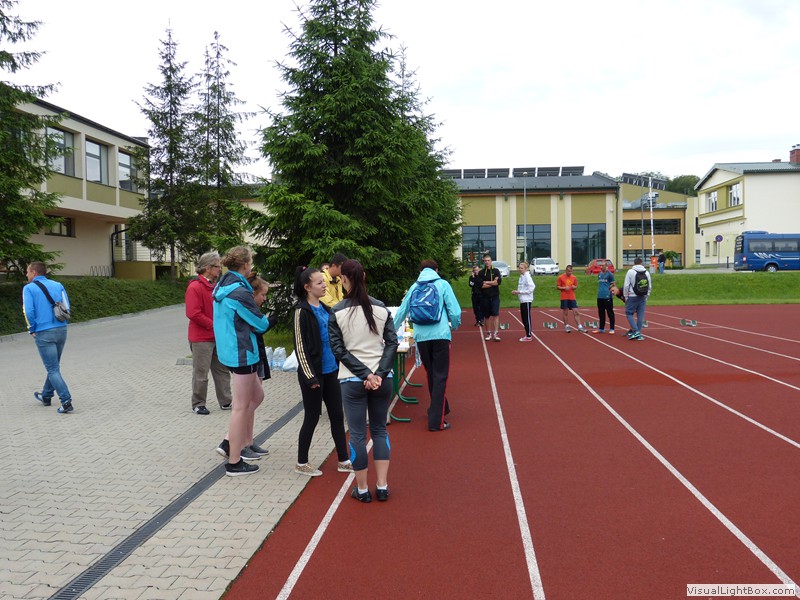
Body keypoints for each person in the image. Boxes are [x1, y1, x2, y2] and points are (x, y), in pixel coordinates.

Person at [329, 259, 398, 503]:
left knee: (357, 434)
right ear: (364, 277)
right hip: (381, 379)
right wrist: (378, 374)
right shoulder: (381, 308)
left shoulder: (337, 311)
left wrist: (365, 374)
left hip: (352, 380)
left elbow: (339, 350)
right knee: (379, 430)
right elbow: (392, 343)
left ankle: (361, 489)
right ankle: (382, 486)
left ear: (343, 279)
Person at [212, 246, 274, 477]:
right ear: (246, 265)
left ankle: (236, 442)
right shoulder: (239, 292)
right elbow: (261, 324)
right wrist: (269, 319)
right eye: (251, 263)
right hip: (241, 352)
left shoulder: (222, 285)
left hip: (231, 351)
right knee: (240, 407)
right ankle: (234, 460)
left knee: (256, 396)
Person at [292, 266, 353, 477]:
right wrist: (310, 377)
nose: (324, 285)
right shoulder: (301, 312)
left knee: (337, 415)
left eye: (323, 281)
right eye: (319, 283)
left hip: (331, 371)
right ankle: (302, 462)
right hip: (314, 375)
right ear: (307, 287)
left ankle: (344, 460)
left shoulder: (326, 309)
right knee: (312, 417)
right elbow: (300, 347)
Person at [393, 259, 461, 431]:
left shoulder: (414, 287)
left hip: (421, 337)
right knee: (440, 376)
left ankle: (440, 409)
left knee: (432, 374)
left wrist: (391, 330)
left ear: (420, 271)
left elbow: (401, 311)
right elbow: (454, 311)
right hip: (440, 336)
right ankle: (436, 422)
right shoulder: (443, 284)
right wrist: (455, 325)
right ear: (436, 270)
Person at [23, 261, 74, 413]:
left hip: (43, 331)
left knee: (52, 369)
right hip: (61, 329)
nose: (26, 274)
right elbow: (67, 306)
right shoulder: (58, 285)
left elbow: (28, 311)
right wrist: (63, 323)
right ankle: (46, 395)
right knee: (54, 366)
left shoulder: (29, 288)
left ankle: (66, 401)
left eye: (27, 271)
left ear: (34, 272)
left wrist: (31, 328)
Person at [185, 252, 232, 415]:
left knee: (222, 370)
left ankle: (226, 400)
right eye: (217, 266)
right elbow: (193, 313)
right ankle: (198, 403)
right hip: (201, 338)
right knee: (201, 372)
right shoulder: (195, 287)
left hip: (216, 336)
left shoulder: (215, 286)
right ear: (207, 268)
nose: (220, 269)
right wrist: (214, 325)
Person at [623, 257, 652, 341]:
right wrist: (647, 295)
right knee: (640, 316)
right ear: (641, 263)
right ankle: (639, 334)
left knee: (629, 313)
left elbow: (626, 285)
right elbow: (649, 286)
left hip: (632, 295)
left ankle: (636, 331)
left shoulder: (630, 272)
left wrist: (626, 296)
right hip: (643, 295)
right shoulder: (646, 272)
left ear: (634, 263)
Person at [477, 254, 502, 341]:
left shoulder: (496, 271)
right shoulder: (481, 273)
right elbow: (481, 286)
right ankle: (488, 333)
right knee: (486, 316)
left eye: (488, 260)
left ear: (491, 261)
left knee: (495, 314)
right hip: (485, 297)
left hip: (495, 296)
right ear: (483, 262)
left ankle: (496, 333)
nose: (487, 262)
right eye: (485, 261)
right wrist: (492, 283)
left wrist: (487, 282)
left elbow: (497, 283)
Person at [556, 265, 586, 333]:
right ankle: (567, 326)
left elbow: (576, 286)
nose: (570, 273)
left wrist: (574, 287)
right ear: (566, 270)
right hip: (564, 297)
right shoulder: (560, 277)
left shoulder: (574, 277)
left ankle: (579, 326)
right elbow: (557, 286)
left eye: (571, 271)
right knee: (565, 312)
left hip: (572, 297)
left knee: (576, 311)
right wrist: (564, 288)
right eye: (569, 271)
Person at [511, 261, 535, 341]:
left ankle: (529, 335)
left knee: (526, 318)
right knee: (524, 318)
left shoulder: (527, 277)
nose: (520, 269)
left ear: (525, 269)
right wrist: (517, 292)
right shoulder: (522, 276)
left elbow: (532, 287)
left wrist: (520, 292)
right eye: (519, 268)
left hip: (527, 300)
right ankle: (527, 334)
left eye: (521, 268)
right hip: (522, 300)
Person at [593, 261, 616, 334]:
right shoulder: (599, 274)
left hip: (607, 296)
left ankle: (612, 328)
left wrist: (609, 289)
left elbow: (613, 284)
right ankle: (601, 328)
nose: (601, 267)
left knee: (610, 312)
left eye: (602, 265)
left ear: (606, 266)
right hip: (600, 296)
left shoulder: (610, 274)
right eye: (600, 265)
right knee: (601, 313)